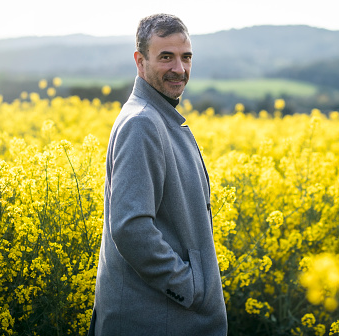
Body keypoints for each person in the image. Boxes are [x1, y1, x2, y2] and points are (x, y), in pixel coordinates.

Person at [88, 13, 228, 336]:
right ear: (140, 61)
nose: (179, 69)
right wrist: (189, 286)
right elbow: (130, 227)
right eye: (166, 57)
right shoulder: (142, 123)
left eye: (186, 57)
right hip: (157, 321)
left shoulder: (157, 116)